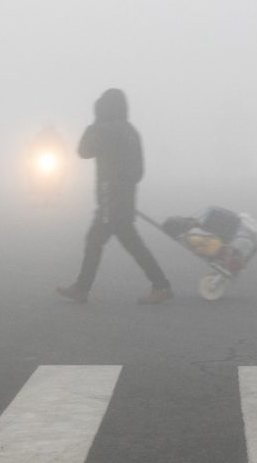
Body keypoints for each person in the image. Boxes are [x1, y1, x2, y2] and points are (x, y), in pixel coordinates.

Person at [57, 88, 172, 304]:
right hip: (125, 196)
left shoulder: (105, 129)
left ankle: (82, 288)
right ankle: (161, 285)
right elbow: (138, 171)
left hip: (111, 198)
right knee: (129, 242)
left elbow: (83, 151)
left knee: (95, 240)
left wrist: (93, 124)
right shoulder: (130, 131)